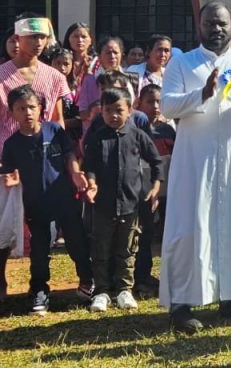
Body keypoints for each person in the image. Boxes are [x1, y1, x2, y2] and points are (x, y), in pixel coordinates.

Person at [159, 2, 231, 332]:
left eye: (222, 23)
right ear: (199, 26)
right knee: (190, 225)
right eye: (210, 23)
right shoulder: (182, 63)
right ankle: (182, 302)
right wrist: (202, 93)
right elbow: (167, 105)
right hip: (197, 158)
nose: (216, 29)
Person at [0, 16, 74, 300]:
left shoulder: (54, 76)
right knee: (4, 225)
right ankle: (2, 281)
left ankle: (38, 285)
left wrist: (62, 158)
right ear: (17, 40)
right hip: (8, 158)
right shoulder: (2, 74)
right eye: (32, 37)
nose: (38, 43)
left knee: (41, 225)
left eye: (43, 37)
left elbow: (57, 120)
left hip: (43, 161)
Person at [1, 85, 91, 313]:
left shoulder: (55, 131)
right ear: (12, 112)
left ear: (40, 108)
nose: (28, 112)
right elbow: (11, 175)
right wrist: (11, 180)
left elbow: (70, 154)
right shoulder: (11, 145)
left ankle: (87, 282)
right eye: (21, 108)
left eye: (32, 107)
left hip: (65, 201)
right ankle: (39, 291)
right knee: (40, 250)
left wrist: (75, 172)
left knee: (77, 243)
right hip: (36, 206)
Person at [82, 88, 162, 312]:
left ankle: (124, 289)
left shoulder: (137, 136)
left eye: (119, 110)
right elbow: (89, 167)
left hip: (131, 204)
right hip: (103, 205)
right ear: (102, 112)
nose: (113, 115)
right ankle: (102, 292)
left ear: (130, 110)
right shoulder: (98, 138)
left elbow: (156, 162)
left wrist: (155, 186)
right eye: (108, 111)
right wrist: (91, 183)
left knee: (127, 248)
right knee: (101, 248)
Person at [134, 83, 176, 294]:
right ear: (139, 103)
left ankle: (171, 276)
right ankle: (142, 276)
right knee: (145, 234)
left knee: (169, 233)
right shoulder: (134, 128)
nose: (156, 106)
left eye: (159, 101)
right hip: (145, 190)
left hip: (168, 189)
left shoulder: (168, 129)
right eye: (150, 101)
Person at [77, 36, 139, 121]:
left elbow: (136, 109)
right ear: (99, 56)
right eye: (108, 53)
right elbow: (82, 113)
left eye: (115, 52)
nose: (112, 56)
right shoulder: (89, 80)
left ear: (122, 55)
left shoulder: (132, 79)